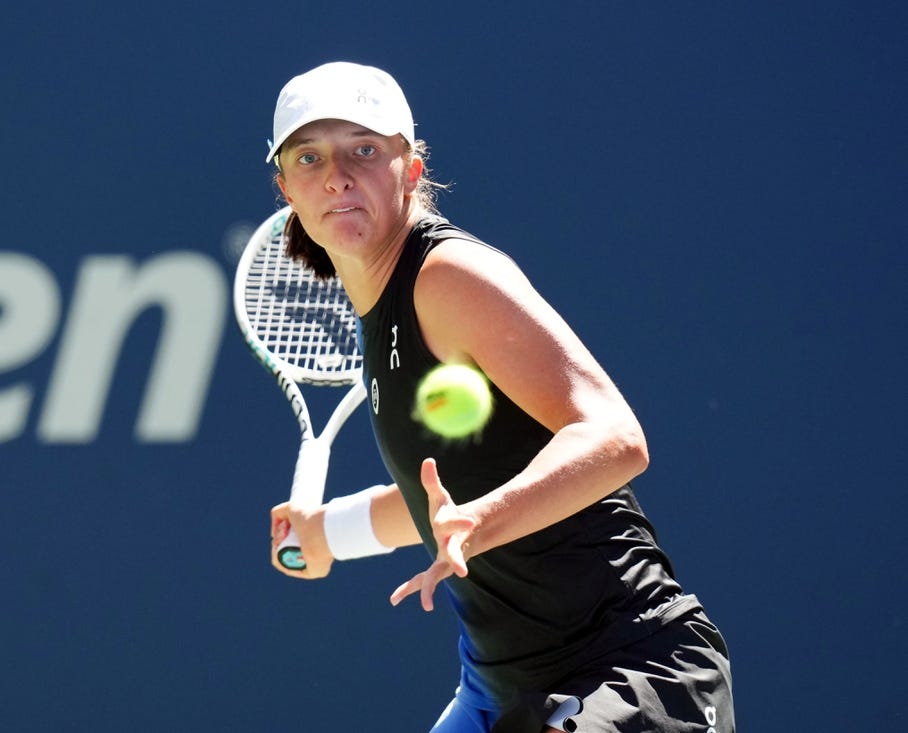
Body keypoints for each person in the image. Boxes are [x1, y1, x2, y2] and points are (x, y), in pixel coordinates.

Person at [265, 61, 734, 733]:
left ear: (411, 169)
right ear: (286, 190)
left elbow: (615, 437)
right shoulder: (382, 309)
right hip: (498, 687)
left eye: (364, 149)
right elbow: (444, 500)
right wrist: (329, 533)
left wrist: (486, 518)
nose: (336, 174)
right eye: (310, 157)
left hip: (630, 665)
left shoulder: (448, 277)